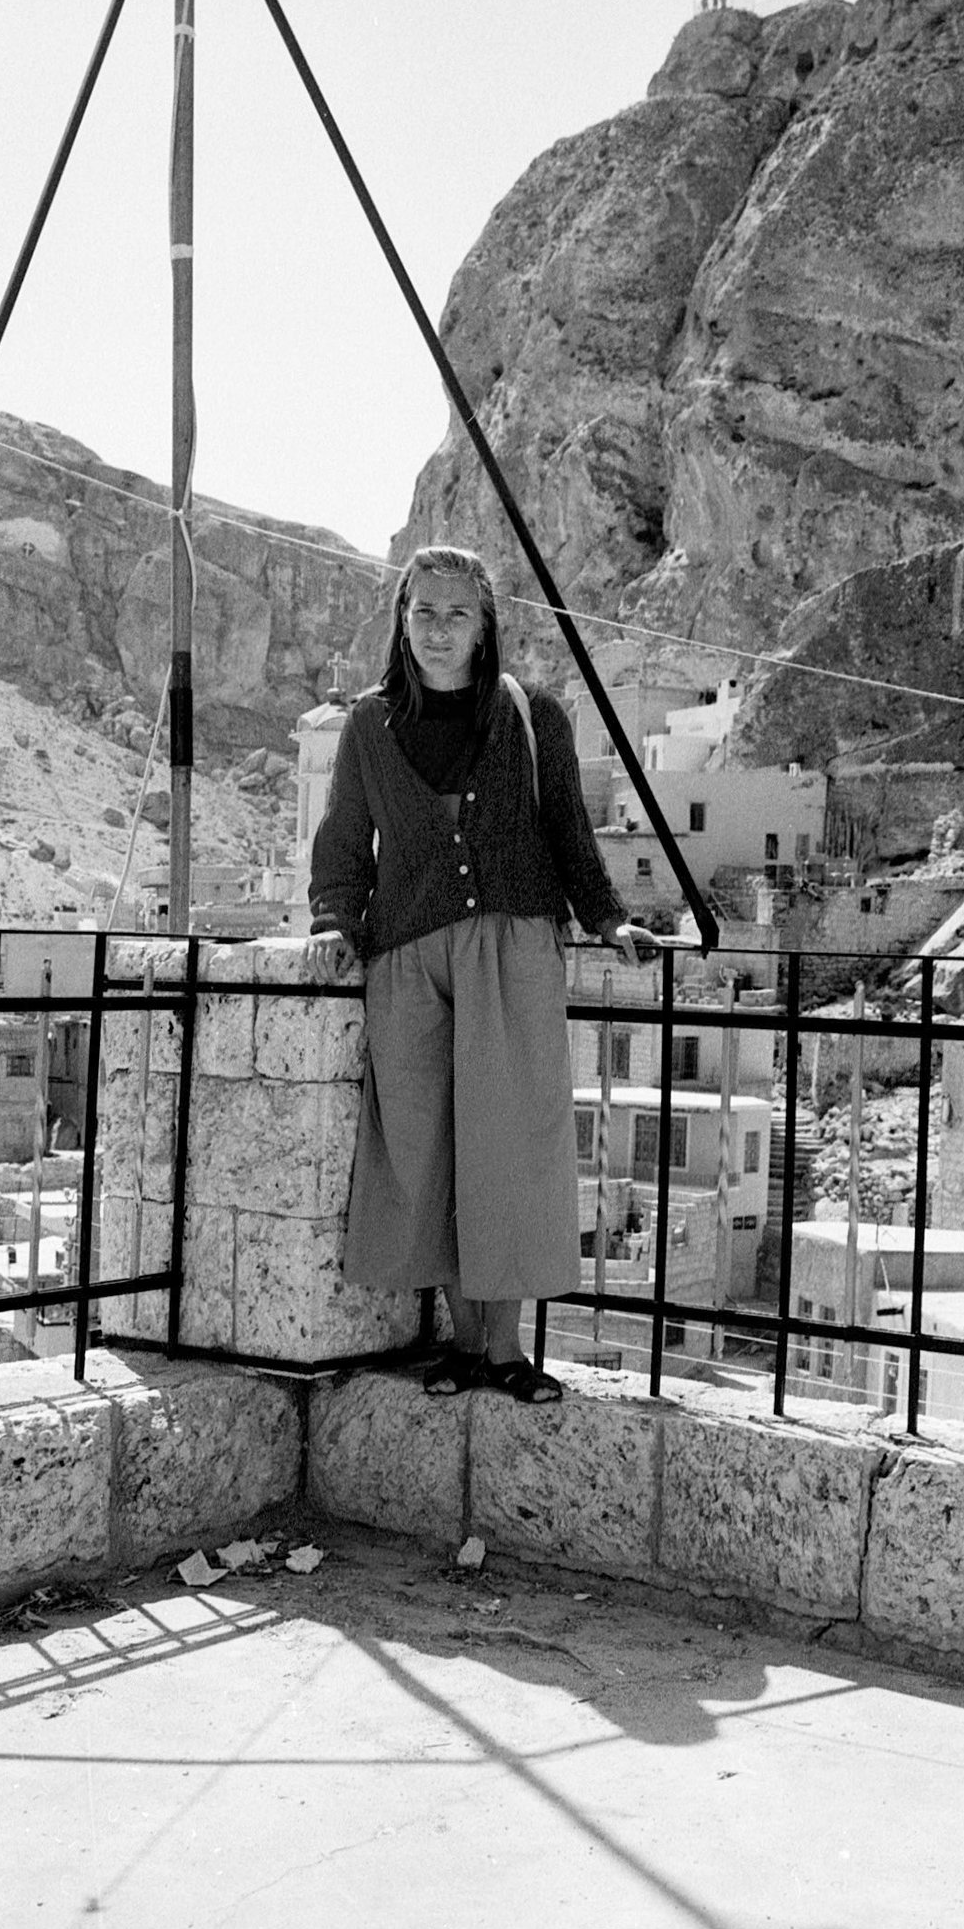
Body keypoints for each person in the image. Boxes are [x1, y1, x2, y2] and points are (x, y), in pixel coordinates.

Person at [309, 545, 659, 1403]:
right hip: (407, 958)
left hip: (512, 948)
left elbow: (569, 832)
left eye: (455, 613)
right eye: (422, 611)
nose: (437, 630)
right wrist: (334, 921)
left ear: (485, 624)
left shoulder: (535, 716)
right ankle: (466, 1346)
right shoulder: (367, 723)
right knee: (427, 1147)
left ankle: (506, 1349)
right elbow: (346, 838)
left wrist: (609, 918)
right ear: (401, 620)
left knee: (508, 1147)